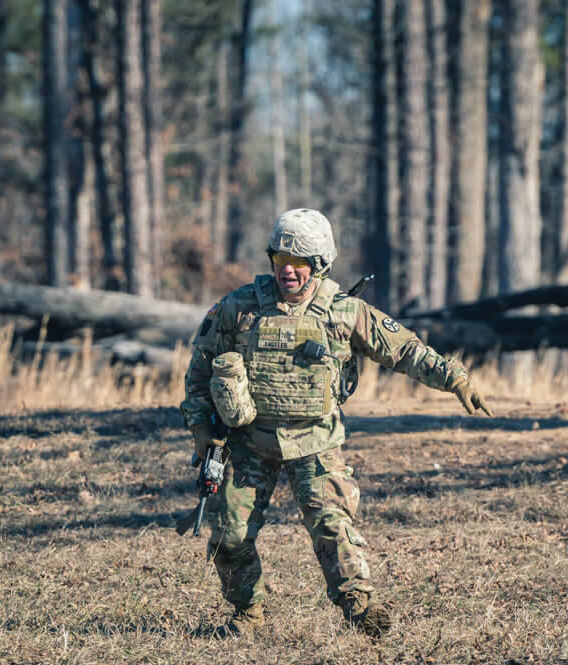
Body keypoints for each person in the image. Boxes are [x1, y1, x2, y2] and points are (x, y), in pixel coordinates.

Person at [180, 208, 493, 637]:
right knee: (229, 537)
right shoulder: (240, 308)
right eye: (280, 260)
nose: (288, 270)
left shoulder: (343, 311)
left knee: (333, 528)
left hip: (315, 442)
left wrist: (453, 377)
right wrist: (201, 431)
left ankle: (362, 611)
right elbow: (200, 370)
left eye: (300, 262)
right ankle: (247, 615)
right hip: (248, 440)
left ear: (320, 264)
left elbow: (403, 349)